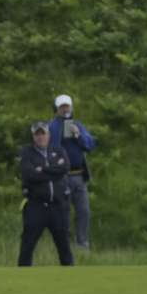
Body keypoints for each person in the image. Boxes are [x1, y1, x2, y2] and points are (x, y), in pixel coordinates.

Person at [18, 121, 73, 267]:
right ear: (33, 136)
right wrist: (53, 172)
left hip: (58, 205)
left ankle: (72, 278)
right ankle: (22, 277)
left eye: (43, 133)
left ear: (48, 135)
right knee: (27, 245)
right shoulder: (26, 153)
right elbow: (29, 175)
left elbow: (65, 168)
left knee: (64, 246)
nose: (40, 137)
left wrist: (42, 170)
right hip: (36, 206)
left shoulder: (58, 150)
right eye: (37, 134)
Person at [46, 94, 96, 250]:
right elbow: (49, 148)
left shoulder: (78, 125)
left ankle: (82, 244)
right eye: (62, 107)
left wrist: (78, 135)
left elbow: (90, 145)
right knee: (63, 212)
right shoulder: (51, 127)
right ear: (56, 109)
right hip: (61, 177)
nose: (65, 109)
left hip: (78, 175)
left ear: (71, 107)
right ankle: (64, 246)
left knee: (84, 211)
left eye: (67, 106)